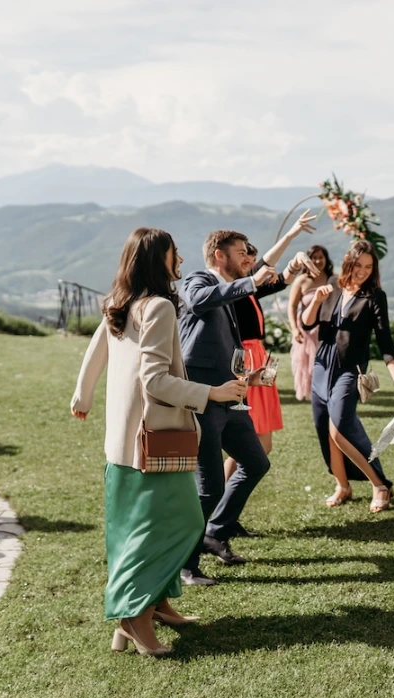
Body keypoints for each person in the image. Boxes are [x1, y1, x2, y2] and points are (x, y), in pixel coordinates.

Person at [70, 228, 246, 655]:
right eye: (173, 253)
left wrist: (83, 392)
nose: (180, 258)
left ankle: (156, 603)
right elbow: (155, 380)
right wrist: (213, 393)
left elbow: (98, 346)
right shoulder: (160, 307)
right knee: (180, 525)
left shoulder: (122, 303)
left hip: (124, 442)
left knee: (138, 530)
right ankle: (133, 615)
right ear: (156, 261)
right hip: (155, 442)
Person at [178, 212, 318, 585]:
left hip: (232, 394)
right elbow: (195, 301)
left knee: (256, 463)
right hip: (204, 399)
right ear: (220, 255)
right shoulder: (199, 280)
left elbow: (227, 344)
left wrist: (248, 376)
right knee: (208, 488)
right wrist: (252, 280)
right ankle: (186, 564)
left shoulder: (232, 289)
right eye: (242, 252)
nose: (248, 259)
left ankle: (216, 531)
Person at [301, 240, 394, 512]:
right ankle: (342, 486)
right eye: (359, 265)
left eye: (369, 267)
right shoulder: (333, 285)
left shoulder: (374, 296)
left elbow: (386, 342)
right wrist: (316, 299)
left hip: (350, 370)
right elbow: (307, 322)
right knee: (325, 430)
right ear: (349, 262)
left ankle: (380, 485)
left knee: (340, 430)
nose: (363, 271)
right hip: (321, 367)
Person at [220, 242, 285, 489]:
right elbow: (267, 263)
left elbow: (279, 277)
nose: (250, 263)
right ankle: (221, 506)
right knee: (247, 447)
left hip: (258, 357)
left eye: (252, 259)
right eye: (245, 258)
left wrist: (296, 263)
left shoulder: (250, 290)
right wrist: (292, 233)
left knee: (264, 445)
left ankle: (223, 507)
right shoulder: (233, 289)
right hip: (246, 360)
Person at [287, 245, 335, 401]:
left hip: (328, 328)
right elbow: (292, 306)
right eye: (314, 257)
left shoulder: (333, 279)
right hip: (306, 330)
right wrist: (294, 329)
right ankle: (312, 395)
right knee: (307, 366)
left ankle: (329, 392)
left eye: (321, 257)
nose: (318, 260)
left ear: (326, 259)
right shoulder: (302, 281)